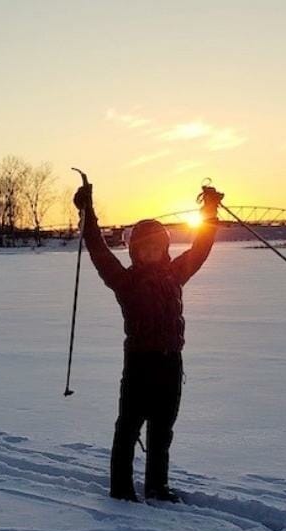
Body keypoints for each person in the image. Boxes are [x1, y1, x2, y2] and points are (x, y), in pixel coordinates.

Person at [73, 183, 221, 502]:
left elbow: (200, 248)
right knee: (128, 428)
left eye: (157, 247)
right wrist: (88, 214)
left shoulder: (175, 273)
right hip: (140, 363)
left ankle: (156, 486)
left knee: (162, 429)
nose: (151, 253)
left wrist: (209, 211)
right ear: (135, 252)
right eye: (144, 249)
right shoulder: (125, 281)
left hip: (171, 362)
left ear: (164, 248)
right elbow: (99, 252)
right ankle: (121, 489)